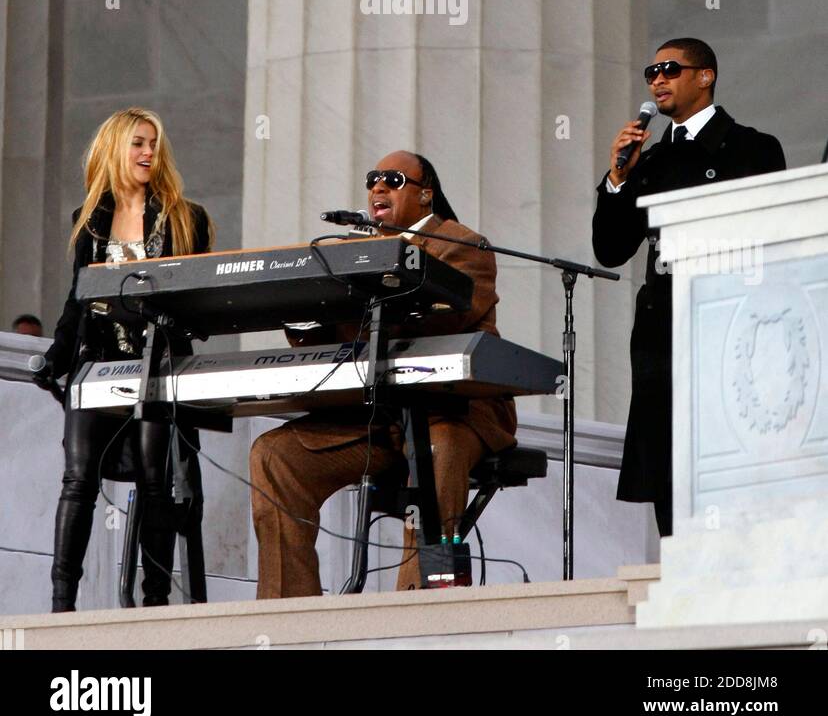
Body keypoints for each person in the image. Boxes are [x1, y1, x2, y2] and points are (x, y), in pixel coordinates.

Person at [250, 151, 516, 597]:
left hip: (451, 413)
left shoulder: (464, 245)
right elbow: (327, 335)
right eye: (373, 179)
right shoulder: (349, 254)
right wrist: (296, 311)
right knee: (275, 455)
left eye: (393, 179)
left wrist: (346, 308)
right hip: (372, 417)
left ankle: (416, 607)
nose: (378, 187)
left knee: (437, 446)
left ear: (425, 194)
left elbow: (442, 319)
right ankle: (287, 614)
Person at [592, 38, 785, 537]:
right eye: (651, 71)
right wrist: (617, 177)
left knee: (726, 450)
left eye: (669, 69)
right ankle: (680, 564)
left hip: (727, 317)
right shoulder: (648, 161)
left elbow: (770, 236)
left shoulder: (752, 146)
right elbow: (610, 249)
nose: (657, 79)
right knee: (668, 455)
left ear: (705, 76)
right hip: (662, 324)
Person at [35, 107, 213, 612]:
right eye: (138, 143)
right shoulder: (89, 221)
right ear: (116, 148)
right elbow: (77, 300)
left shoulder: (184, 216)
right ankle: (61, 604)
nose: (148, 153)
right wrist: (56, 357)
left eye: (154, 143)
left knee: (156, 481)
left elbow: (194, 300)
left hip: (158, 370)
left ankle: (152, 602)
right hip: (99, 367)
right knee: (77, 479)